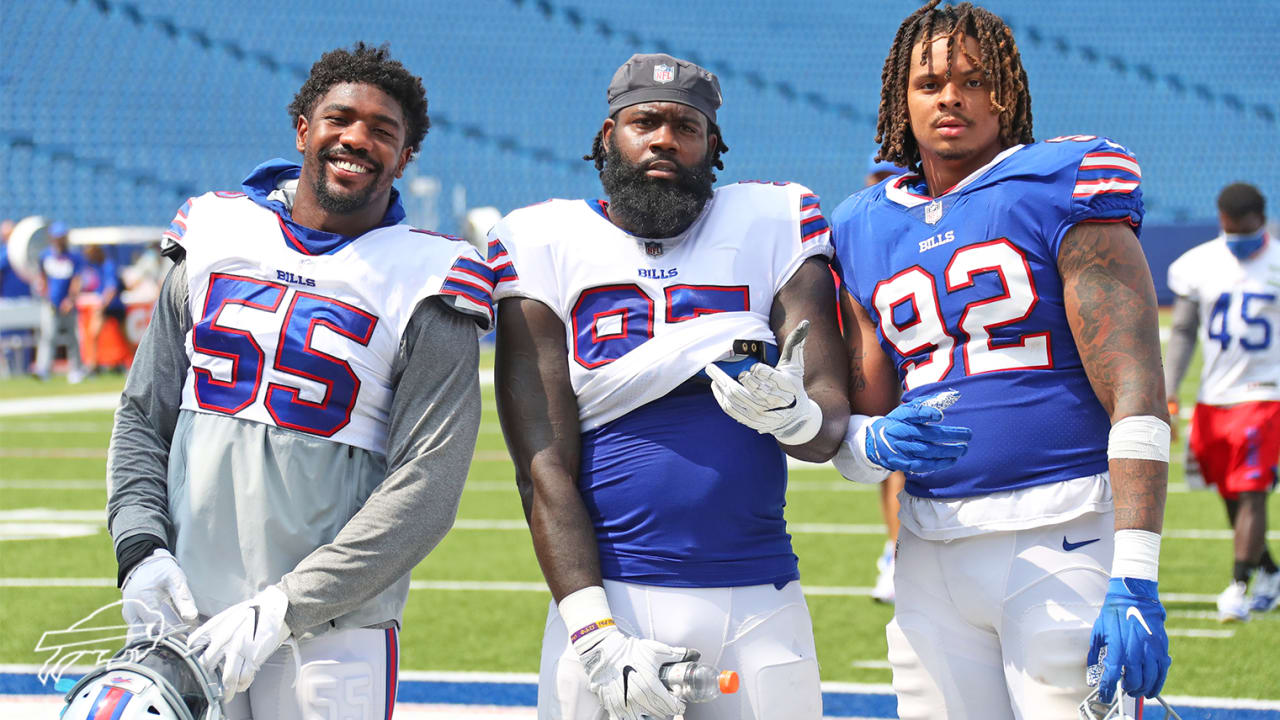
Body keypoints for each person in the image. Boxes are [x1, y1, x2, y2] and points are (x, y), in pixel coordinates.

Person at [106, 43, 490, 719]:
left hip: (331, 632)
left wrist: (288, 604)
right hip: (186, 608)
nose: (357, 138)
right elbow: (143, 414)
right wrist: (140, 547)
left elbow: (428, 486)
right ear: (303, 129)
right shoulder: (217, 231)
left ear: (405, 157)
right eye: (340, 118)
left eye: (383, 130)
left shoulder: (430, 276)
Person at [828, 2, 1173, 717]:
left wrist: (1136, 572)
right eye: (929, 84)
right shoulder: (861, 225)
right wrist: (863, 440)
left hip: (1066, 532)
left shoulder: (1062, 180)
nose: (949, 97)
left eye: (973, 80)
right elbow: (861, 433)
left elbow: (1137, 388)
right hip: (928, 549)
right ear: (901, 99)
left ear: (1006, 93)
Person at [492, 53, 860, 720]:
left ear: (714, 145)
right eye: (646, 122)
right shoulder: (542, 239)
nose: (665, 139)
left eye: (686, 126)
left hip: (759, 598)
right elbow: (541, 467)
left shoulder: (774, 219)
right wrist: (596, 638)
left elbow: (826, 422)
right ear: (609, 136)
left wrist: (799, 417)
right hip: (612, 601)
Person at [1165, 182, 1280, 621]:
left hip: (1265, 393)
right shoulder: (1199, 264)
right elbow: (1183, 331)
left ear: (1261, 220)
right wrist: (1169, 390)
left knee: (1251, 489)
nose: (1237, 240)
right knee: (1229, 490)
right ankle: (1269, 571)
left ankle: (1238, 586)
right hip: (1214, 397)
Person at [859, 153, 910, 605]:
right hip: (875, 347)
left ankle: (899, 552)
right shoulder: (858, 227)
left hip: (915, 348)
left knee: (902, 457)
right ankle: (893, 548)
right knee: (883, 454)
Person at [35, 221, 87, 383]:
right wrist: (45, 295)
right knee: (48, 336)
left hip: (68, 304)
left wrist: (70, 300)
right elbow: (42, 278)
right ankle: (43, 369)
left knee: (72, 337)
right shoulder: (45, 256)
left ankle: (76, 369)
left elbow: (77, 280)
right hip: (51, 303)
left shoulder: (74, 257)